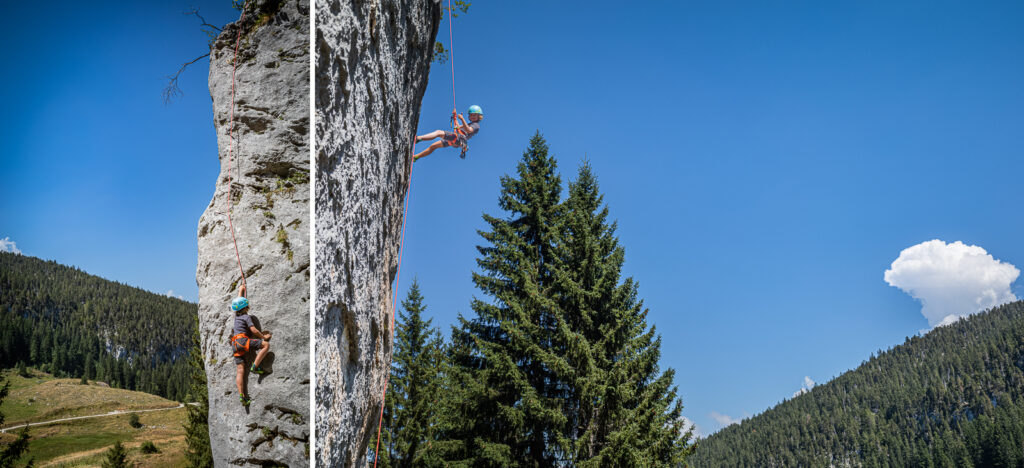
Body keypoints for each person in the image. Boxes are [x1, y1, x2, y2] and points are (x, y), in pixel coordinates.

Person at [230, 283, 272, 406]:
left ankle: (242, 396)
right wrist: (263, 337)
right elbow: (253, 330)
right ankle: (255, 366)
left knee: (240, 370)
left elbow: (238, 304)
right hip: (243, 341)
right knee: (265, 345)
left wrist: (240, 290)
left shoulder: (237, 316)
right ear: (246, 307)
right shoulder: (246, 317)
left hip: (235, 344)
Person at [413, 105, 484, 161]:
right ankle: (416, 157)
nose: (472, 117)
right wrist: (455, 117)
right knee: (433, 146)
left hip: (458, 139)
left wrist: (462, 119)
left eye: (474, 115)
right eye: (471, 115)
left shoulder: (476, 125)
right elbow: (458, 127)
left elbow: (469, 130)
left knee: (438, 132)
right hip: (456, 140)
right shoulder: (469, 124)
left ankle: (418, 138)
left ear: (479, 116)